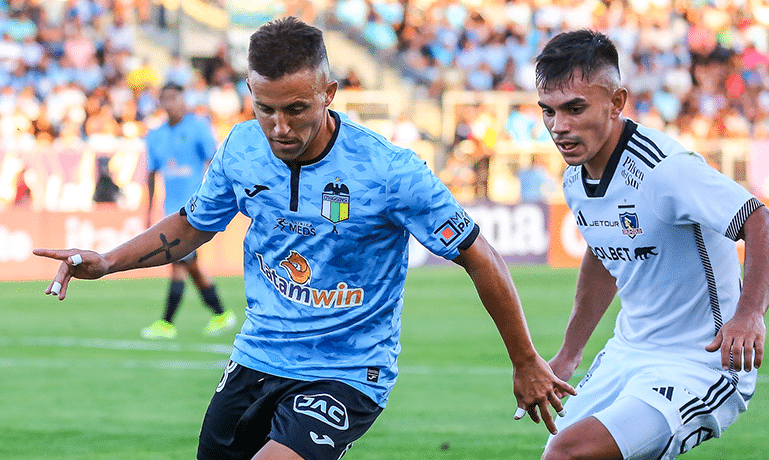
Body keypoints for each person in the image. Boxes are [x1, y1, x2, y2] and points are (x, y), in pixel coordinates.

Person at [34, 17, 575, 460]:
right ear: (250, 92)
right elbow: (190, 227)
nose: (279, 127)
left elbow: (479, 255)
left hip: (347, 370)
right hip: (259, 354)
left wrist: (525, 359)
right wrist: (105, 261)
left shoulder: (388, 172)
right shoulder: (240, 148)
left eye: (296, 109)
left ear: (329, 93)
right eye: (265, 108)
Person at [534, 30, 769, 460]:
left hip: (699, 365)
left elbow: (766, 225)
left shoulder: (665, 170)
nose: (560, 127)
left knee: (569, 453)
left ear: (616, 102)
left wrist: (749, 316)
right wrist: (569, 353)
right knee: (557, 453)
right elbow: (603, 252)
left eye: (575, 109)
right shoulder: (576, 176)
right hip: (627, 352)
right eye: (549, 111)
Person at [140, 82, 236, 339]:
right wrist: (149, 209)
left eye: (174, 98)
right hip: (170, 210)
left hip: (194, 209)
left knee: (179, 264)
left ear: (183, 100)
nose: (169, 103)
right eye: (165, 99)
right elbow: (151, 173)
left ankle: (166, 323)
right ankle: (220, 314)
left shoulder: (198, 127)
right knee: (189, 264)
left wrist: (214, 198)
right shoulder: (156, 134)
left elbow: (215, 161)